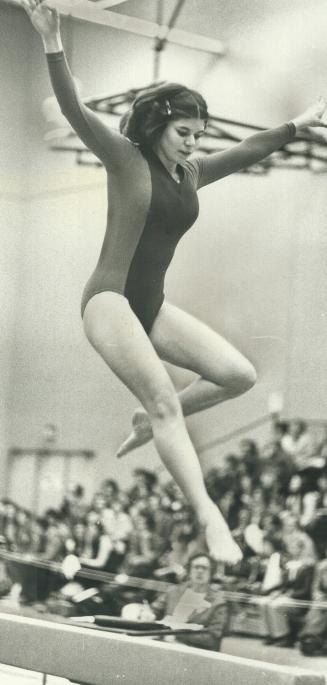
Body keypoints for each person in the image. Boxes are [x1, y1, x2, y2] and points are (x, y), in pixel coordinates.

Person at [22, 0, 327, 564]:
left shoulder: (190, 173)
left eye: (198, 133)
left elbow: (245, 151)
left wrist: (295, 126)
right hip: (108, 301)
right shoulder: (123, 157)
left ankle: (152, 420)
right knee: (164, 397)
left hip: (150, 305)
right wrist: (52, 40)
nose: (193, 142)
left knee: (238, 374)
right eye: (185, 132)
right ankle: (210, 517)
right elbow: (72, 109)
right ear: (159, 125)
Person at [150, 553, 228, 651]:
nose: (200, 571)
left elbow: (212, 638)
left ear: (211, 572)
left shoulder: (218, 603)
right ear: (189, 570)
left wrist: (176, 634)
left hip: (192, 653)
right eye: (196, 567)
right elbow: (155, 609)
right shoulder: (173, 591)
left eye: (204, 568)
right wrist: (148, 614)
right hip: (163, 645)